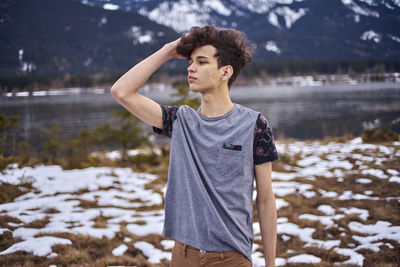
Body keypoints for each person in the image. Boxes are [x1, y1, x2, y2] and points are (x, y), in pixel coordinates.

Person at [111, 25, 279, 267]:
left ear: (225, 72)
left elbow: (265, 199)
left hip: (231, 257)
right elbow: (121, 91)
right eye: (190, 61)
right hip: (183, 255)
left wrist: (271, 263)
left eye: (201, 62)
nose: (190, 67)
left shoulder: (254, 125)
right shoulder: (180, 121)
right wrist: (168, 50)